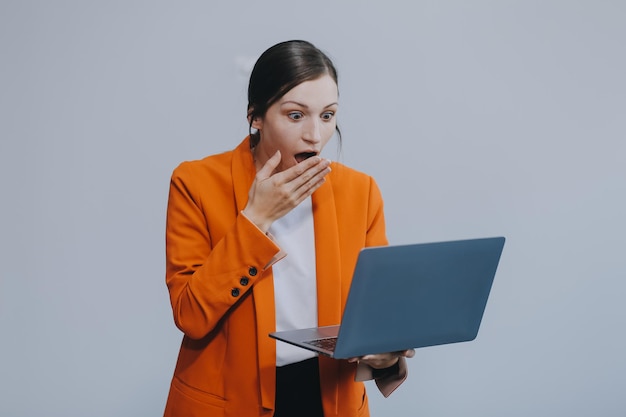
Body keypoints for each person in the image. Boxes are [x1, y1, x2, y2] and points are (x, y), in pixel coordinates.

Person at [163, 40, 414, 417]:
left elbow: (375, 314)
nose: (315, 135)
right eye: (296, 115)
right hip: (231, 403)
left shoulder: (360, 192)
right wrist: (256, 219)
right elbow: (191, 316)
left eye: (327, 116)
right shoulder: (195, 183)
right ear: (256, 117)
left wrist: (384, 354)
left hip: (331, 398)